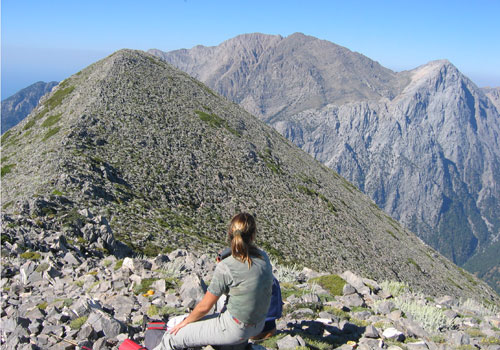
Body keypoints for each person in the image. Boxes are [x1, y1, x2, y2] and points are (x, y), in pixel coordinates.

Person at [153, 213, 274, 350]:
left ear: (230, 234)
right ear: (252, 236)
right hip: (258, 325)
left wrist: (185, 323)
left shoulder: (227, 266)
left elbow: (204, 307)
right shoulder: (264, 257)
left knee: (172, 337)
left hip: (235, 328)